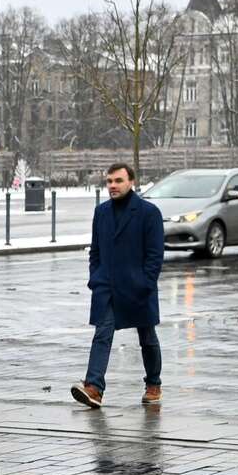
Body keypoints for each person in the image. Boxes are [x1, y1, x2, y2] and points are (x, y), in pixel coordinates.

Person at [73, 162, 164, 409]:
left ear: (131, 182)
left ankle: (154, 384)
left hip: (138, 288)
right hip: (107, 287)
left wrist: (146, 283)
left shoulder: (148, 213)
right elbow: (96, 251)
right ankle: (94, 388)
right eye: (109, 181)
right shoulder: (101, 212)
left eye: (118, 181)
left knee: (147, 337)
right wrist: (96, 277)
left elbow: (155, 255)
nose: (113, 186)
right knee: (102, 334)